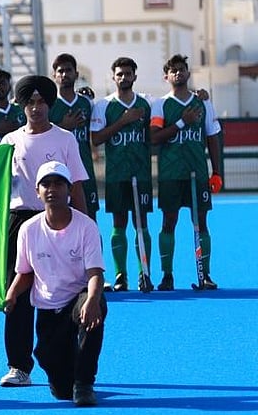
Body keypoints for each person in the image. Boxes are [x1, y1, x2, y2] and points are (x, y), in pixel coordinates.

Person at [0, 75, 89, 387]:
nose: (36, 108)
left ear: (49, 105)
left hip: (59, 219)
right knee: (17, 292)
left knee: (64, 291)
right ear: (21, 105)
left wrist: (87, 228)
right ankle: (18, 366)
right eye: (30, 102)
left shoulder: (65, 139)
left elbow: (76, 185)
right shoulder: (9, 141)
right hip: (20, 222)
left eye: (41, 102)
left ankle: (69, 361)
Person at [4, 160, 106, 407]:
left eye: (59, 184)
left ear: (69, 190)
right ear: (37, 192)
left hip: (78, 298)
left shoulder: (86, 226)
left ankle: (85, 384)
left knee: (95, 309)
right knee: (60, 388)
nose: (52, 189)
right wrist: (12, 294)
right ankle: (69, 376)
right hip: (48, 308)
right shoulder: (28, 229)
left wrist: (93, 299)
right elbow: (25, 273)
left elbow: (95, 273)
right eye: (46, 184)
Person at [149, 54, 224, 290]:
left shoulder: (203, 103)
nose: (178, 73)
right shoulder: (161, 105)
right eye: (173, 70)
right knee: (168, 222)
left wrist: (216, 172)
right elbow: (154, 138)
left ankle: (205, 274)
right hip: (170, 174)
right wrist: (182, 122)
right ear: (166, 77)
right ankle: (167, 276)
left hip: (197, 172)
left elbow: (212, 137)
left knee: (201, 222)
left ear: (188, 73)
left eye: (181, 69)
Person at [91, 57, 154, 292]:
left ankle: (144, 273)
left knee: (141, 223)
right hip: (116, 175)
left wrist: (200, 96)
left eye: (128, 73)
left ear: (134, 76)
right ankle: (120, 275)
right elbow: (96, 139)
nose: (124, 77)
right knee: (119, 223)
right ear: (113, 77)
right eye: (120, 74)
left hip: (141, 174)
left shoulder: (147, 104)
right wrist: (123, 121)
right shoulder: (104, 106)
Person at [50, 54, 100, 220]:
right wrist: (64, 126)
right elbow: (41, 136)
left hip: (84, 170)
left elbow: (95, 134)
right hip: (59, 172)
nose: (64, 74)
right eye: (60, 71)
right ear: (54, 75)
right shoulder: (49, 105)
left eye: (68, 70)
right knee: (59, 219)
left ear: (76, 74)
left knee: (90, 220)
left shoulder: (87, 103)